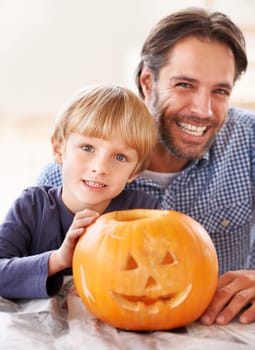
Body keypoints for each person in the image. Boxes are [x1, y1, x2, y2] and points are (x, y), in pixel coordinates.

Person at [36, 7, 255, 326]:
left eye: (219, 91)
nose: (203, 110)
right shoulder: (74, 175)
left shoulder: (249, 141)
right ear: (148, 82)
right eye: (184, 85)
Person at [0, 84, 160, 299]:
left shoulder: (145, 212)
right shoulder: (31, 205)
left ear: (134, 171)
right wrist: (58, 260)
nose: (100, 168)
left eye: (120, 157)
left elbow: (165, 276)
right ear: (58, 150)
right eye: (87, 148)